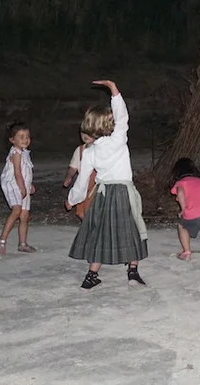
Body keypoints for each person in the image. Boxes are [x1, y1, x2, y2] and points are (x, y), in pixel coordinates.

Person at [65, 80, 149, 289]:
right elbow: (123, 117)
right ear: (108, 125)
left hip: (102, 196)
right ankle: (132, 271)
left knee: (101, 233)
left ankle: (91, 276)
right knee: (130, 230)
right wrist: (114, 91)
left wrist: (72, 200)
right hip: (122, 194)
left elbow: (82, 182)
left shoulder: (89, 152)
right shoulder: (118, 140)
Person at [0, 121, 37, 255]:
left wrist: (29, 185)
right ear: (12, 140)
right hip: (13, 184)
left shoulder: (24, 153)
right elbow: (17, 172)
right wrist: (22, 187)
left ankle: (23, 244)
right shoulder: (16, 153)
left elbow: (26, 172)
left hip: (22, 184)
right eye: (21, 137)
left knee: (24, 215)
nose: (25, 139)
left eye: (27, 136)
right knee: (17, 210)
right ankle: (2, 240)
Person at [63, 135, 98, 221]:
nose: (85, 135)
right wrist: (69, 177)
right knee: (81, 212)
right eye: (83, 133)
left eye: (89, 133)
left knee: (90, 210)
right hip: (83, 185)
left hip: (95, 185)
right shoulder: (80, 150)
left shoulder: (100, 150)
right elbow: (73, 167)